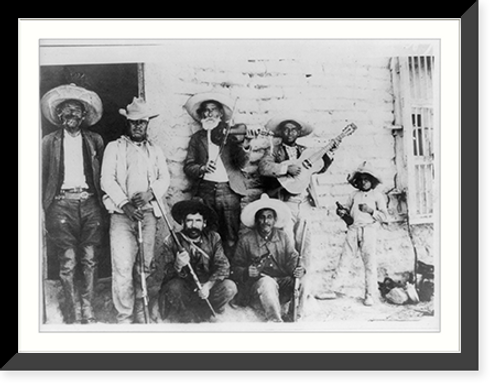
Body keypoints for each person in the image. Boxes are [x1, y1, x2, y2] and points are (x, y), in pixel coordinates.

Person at [101, 97, 170, 323]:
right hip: (123, 216)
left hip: (148, 215)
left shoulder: (155, 151)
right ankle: (124, 316)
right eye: (133, 122)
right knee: (122, 266)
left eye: (142, 122)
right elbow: (106, 180)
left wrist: (151, 193)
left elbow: (164, 178)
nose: (138, 126)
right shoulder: (115, 148)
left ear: (147, 123)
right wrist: (126, 204)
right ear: (127, 123)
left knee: (145, 265)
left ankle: (143, 311)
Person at [41, 83, 105, 324]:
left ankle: (87, 310)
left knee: (90, 258)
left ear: (84, 115)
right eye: (66, 110)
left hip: (89, 204)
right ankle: (72, 311)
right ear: (59, 115)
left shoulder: (94, 140)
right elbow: (40, 175)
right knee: (67, 261)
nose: (71, 115)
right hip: (61, 206)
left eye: (76, 110)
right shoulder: (49, 142)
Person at [258, 114, 337, 285]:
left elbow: (319, 168)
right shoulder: (275, 150)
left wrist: (329, 154)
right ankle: (286, 284)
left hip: (305, 203)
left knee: (305, 244)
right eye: (286, 129)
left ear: (299, 132)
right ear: (281, 132)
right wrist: (286, 167)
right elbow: (264, 167)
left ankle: (303, 285)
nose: (290, 132)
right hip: (285, 202)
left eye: (293, 129)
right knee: (287, 243)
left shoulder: (305, 151)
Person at [182, 91, 257, 258]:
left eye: (213, 109)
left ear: (220, 114)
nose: (209, 113)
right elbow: (188, 166)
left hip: (229, 191)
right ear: (201, 115)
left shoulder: (230, 134)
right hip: (205, 191)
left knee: (230, 237)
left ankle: (230, 275)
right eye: (205, 111)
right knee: (208, 236)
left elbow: (241, 163)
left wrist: (245, 144)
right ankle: (212, 274)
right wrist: (201, 168)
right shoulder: (197, 138)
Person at [158, 199, 238, 323]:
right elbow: (165, 272)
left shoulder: (213, 238)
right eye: (189, 221)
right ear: (183, 222)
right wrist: (177, 265)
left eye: (198, 221)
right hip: (184, 289)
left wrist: (208, 285)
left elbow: (223, 266)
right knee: (174, 287)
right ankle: (186, 314)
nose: (193, 225)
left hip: (206, 290)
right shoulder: (172, 240)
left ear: (204, 223)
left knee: (230, 287)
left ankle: (205, 310)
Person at [231, 194, 306, 322]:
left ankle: (294, 317)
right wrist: (246, 272)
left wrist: (298, 269)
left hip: (281, 288)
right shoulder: (246, 240)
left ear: (274, 220)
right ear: (256, 220)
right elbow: (234, 269)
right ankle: (275, 321)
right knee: (267, 282)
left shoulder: (282, 237)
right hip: (257, 292)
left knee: (302, 280)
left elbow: (292, 258)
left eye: (269, 217)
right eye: (262, 217)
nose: (266, 221)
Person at [334, 161, 388, 306]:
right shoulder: (354, 195)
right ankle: (334, 289)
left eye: (367, 180)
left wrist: (371, 210)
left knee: (370, 263)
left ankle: (370, 294)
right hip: (353, 229)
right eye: (362, 179)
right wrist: (341, 212)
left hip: (369, 231)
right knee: (345, 258)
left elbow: (385, 217)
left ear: (372, 181)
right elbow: (346, 209)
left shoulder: (377, 196)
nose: (364, 182)